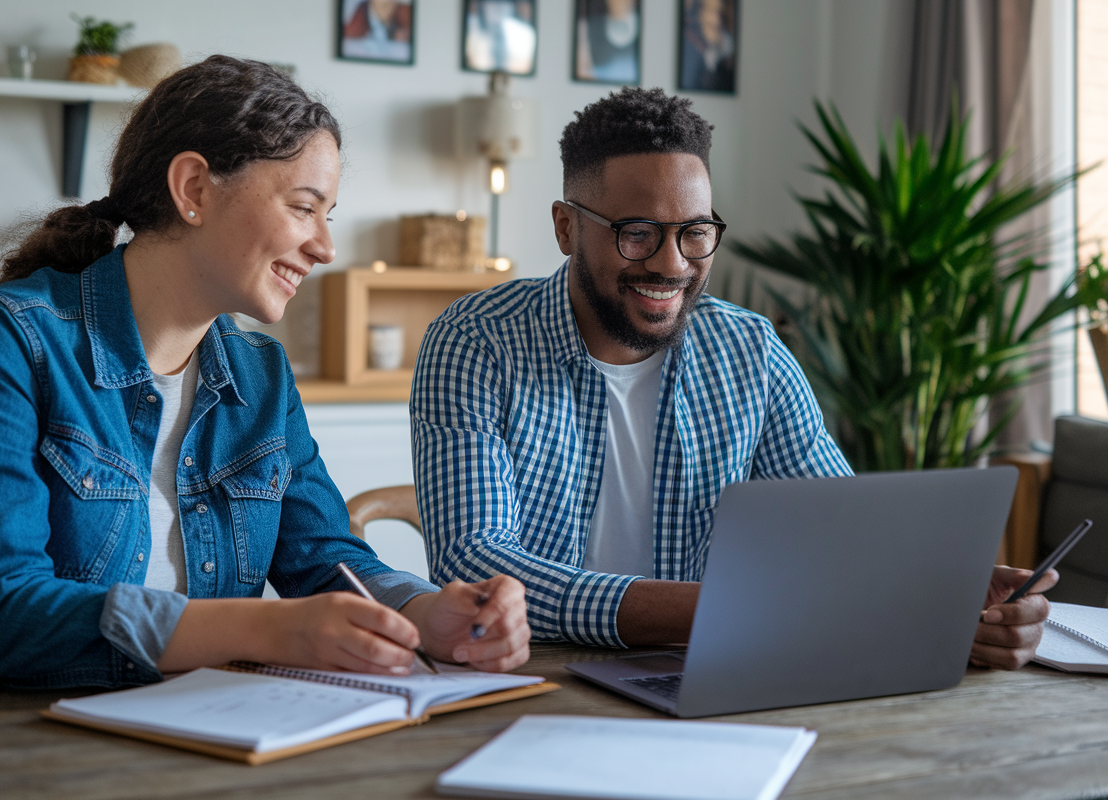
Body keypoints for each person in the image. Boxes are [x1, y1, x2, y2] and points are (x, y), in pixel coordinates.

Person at [0, 56, 530, 689]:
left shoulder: (262, 377)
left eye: (327, 216)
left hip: (182, 737)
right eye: (304, 207)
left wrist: (423, 613)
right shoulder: (1, 342)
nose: (326, 247)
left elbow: (326, 558)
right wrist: (265, 628)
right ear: (194, 189)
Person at [411, 87, 1054, 670]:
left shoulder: (749, 350)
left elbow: (836, 526)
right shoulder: (476, 341)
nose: (672, 264)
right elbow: (479, 563)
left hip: (711, 676)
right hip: (530, 677)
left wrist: (942, 596)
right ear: (565, 227)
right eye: (637, 234)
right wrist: (721, 609)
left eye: (695, 233)